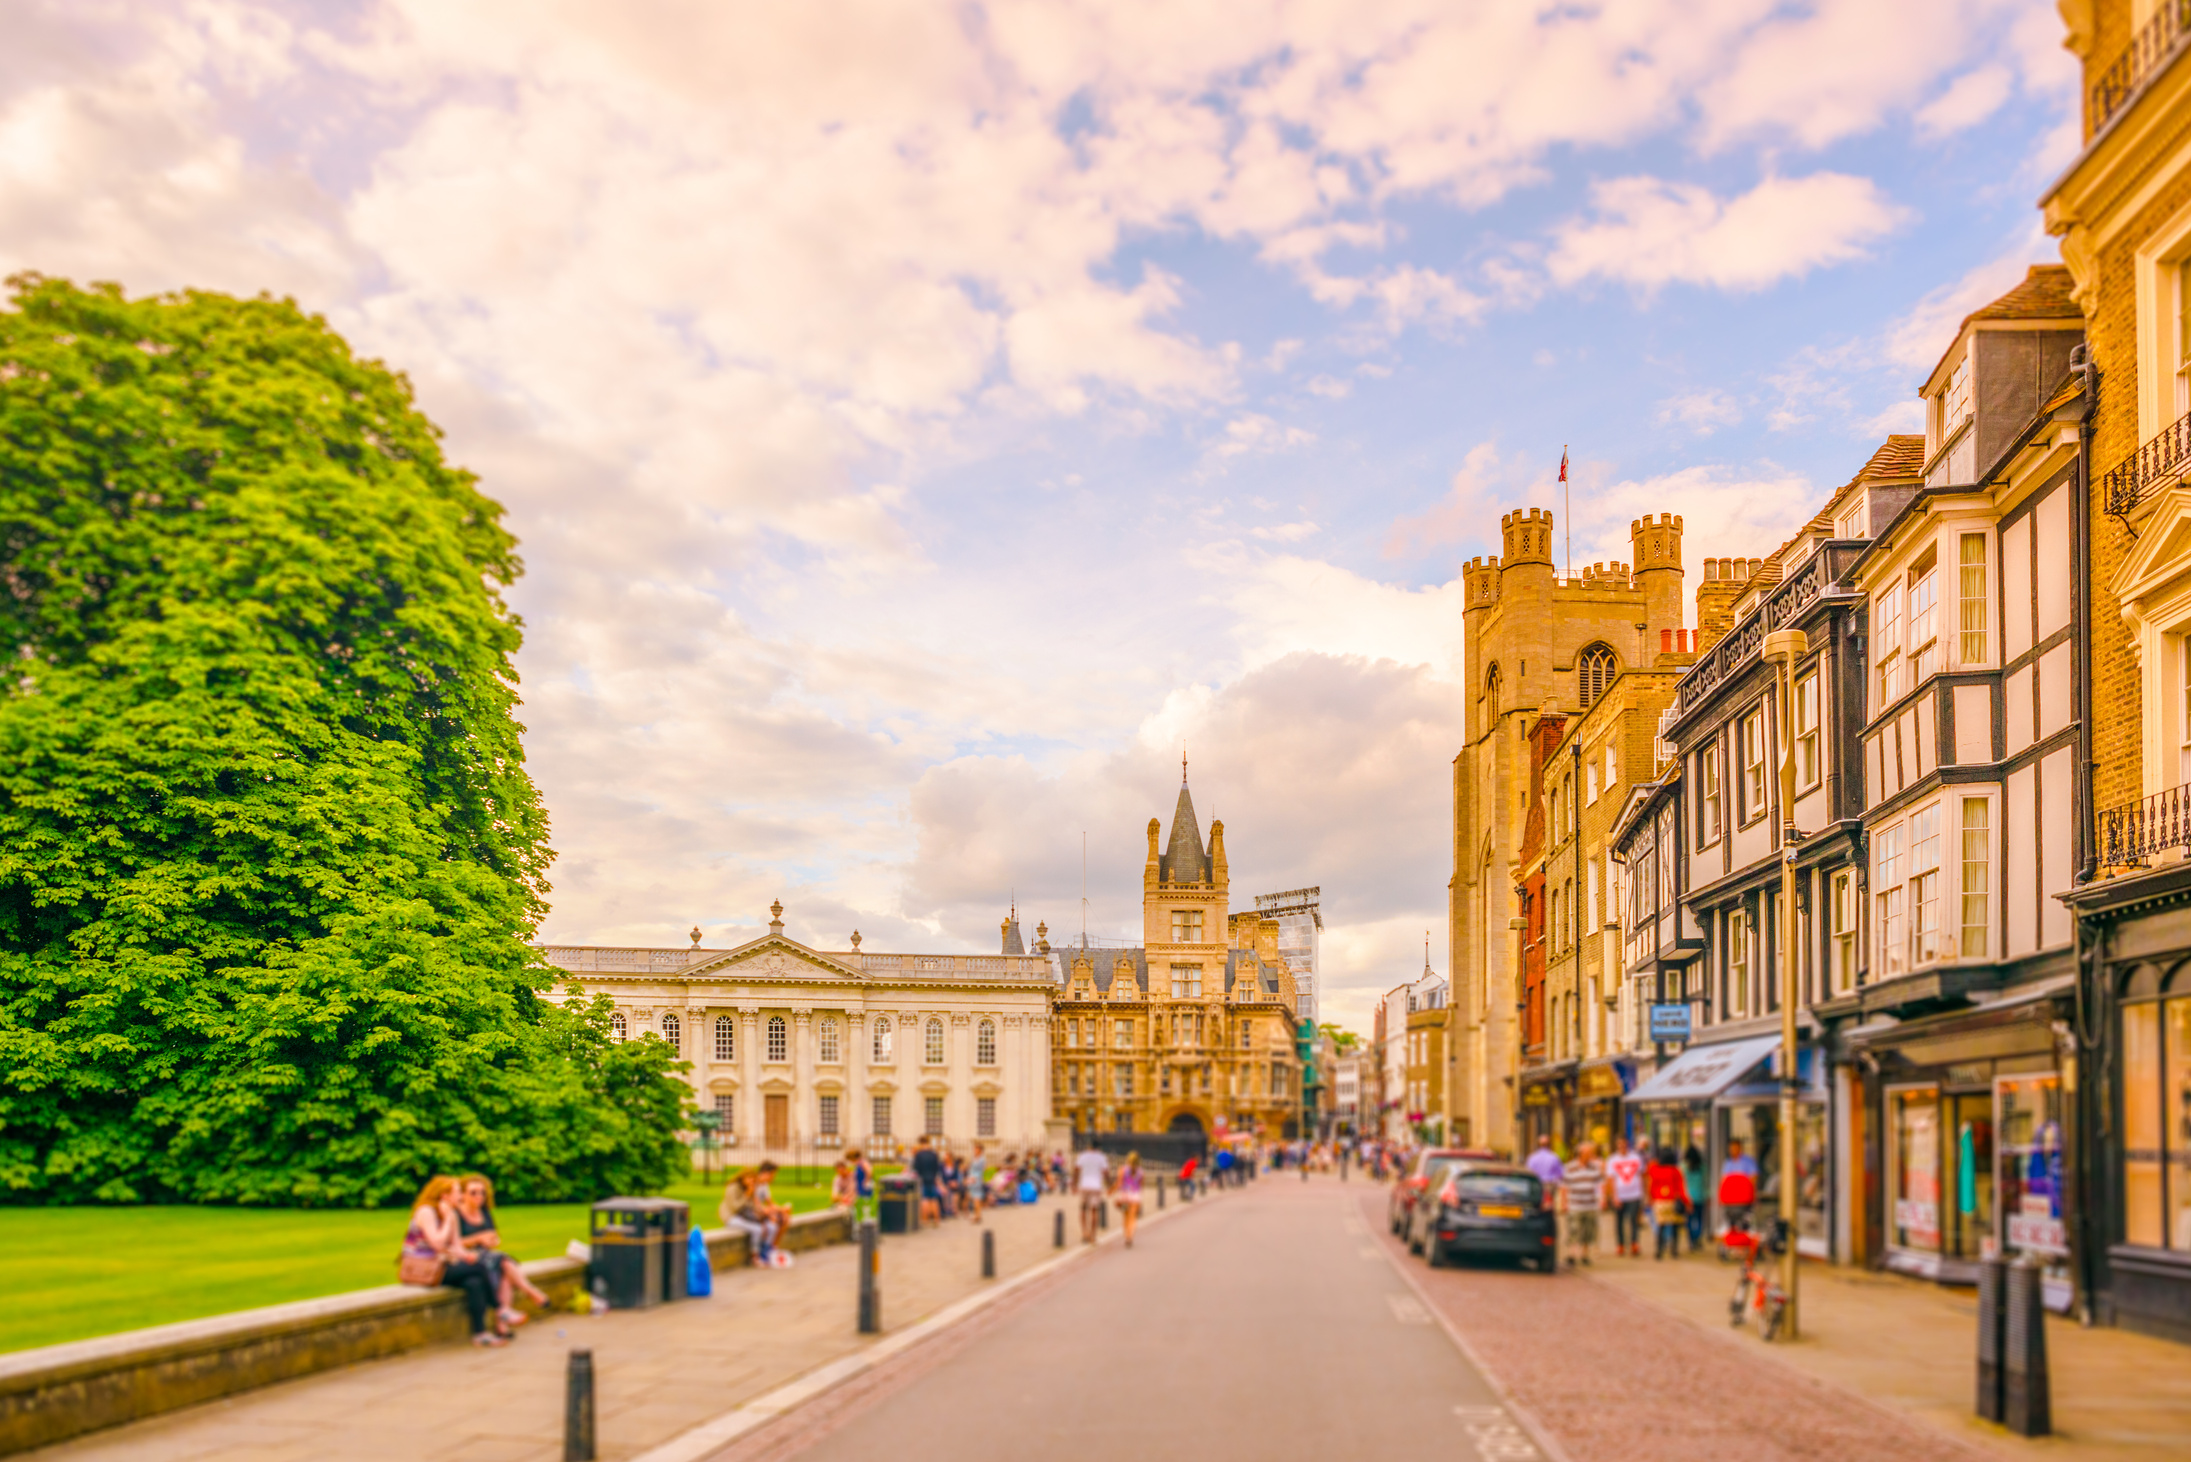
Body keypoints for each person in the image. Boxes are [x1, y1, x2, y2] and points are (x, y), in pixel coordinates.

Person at [406, 1176, 507, 1346]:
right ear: (445, 1195)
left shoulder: (451, 1213)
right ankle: (500, 1309)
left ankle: (480, 1334)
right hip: (423, 1269)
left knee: (474, 1282)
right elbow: (437, 1243)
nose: (460, 1197)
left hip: (441, 1265)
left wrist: (467, 1256)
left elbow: (457, 1247)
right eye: (457, 1192)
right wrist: (448, 1219)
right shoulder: (426, 1211)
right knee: (480, 1267)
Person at [456, 1174, 546, 1328]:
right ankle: (529, 1292)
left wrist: (491, 1240)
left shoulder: (484, 1212)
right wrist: (477, 1239)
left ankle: (502, 1324)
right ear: (462, 1194)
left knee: (505, 1273)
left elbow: (493, 1236)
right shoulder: (455, 1215)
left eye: (482, 1192)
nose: (479, 1196)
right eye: (473, 1192)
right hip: (466, 1258)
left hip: (486, 1255)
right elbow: (452, 1243)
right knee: (503, 1262)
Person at [1561, 1142, 1604, 1268]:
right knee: (1574, 1230)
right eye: (1588, 1153)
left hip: (1590, 1205)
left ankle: (1584, 1255)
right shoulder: (1569, 1167)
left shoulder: (1594, 1167)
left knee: (1588, 1231)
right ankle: (1572, 1255)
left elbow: (1600, 1184)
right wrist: (1564, 1203)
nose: (1591, 1155)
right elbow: (1564, 1187)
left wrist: (1602, 1199)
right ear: (1581, 1154)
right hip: (1575, 1204)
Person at [1605, 1136, 1647, 1258]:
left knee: (1633, 1219)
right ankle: (1620, 1244)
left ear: (1627, 1144)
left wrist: (1644, 1192)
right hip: (1620, 1195)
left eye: (1624, 1144)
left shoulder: (1635, 1158)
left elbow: (1642, 1175)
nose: (1622, 1147)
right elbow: (1610, 1179)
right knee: (1619, 1221)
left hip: (1635, 1194)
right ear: (1617, 1146)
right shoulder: (1612, 1159)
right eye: (1619, 1145)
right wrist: (1613, 1196)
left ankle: (1634, 1243)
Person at [1645, 1145, 1688, 1260]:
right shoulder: (1676, 1171)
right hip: (1673, 1201)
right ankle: (1674, 1250)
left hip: (1659, 1202)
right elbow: (1681, 1188)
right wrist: (1687, 1202)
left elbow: (1651, 1186)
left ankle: (1659, 1250)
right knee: (1674, 1227)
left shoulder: (1654, 1170)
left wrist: (1651, 1199)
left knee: (1661, 1227)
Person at [1719, 1138, 1760, 1239]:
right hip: (1731, 1200)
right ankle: (1733, 1241)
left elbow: (1753, 1177)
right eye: (1731, 1148)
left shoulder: (1748, 1161)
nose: (1733, 1150)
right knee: (1731, 1222)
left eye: (1735, 1148)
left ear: (1740, 1148)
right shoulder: (1728, 1163)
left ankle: (1744, 1241)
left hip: (1744, 1199)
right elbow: (1724, 1180)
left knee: (1745, 1222)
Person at [1074, 1144, 1111, 1242]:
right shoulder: (1101, 1157)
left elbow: (1076, 1170)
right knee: (1094, 1211)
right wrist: (1110, 1185)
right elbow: (1106, 1172)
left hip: (1084, 1185)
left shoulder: (1082, 1156)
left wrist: (1074, 1184)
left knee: (1083, 1209)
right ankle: (1093, 1235)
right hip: (1096, 1186)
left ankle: (1084, 1232)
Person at [912, 1135, 945, 1225]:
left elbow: (916, 1169)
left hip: (923, 1179)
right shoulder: (934, 1154)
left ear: (920, 1143)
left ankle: (925, 1220)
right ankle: (936, 1219)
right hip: (932, 1179)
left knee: (924, 1199)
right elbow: (937, 1168)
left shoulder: (919, 1155)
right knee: (934, 1199)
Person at [1114, 1152, 1145, 1248]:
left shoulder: (1123, 1169)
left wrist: (1111, 1191)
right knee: (1133, 1218)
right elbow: (1141, 1185)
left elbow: (1118, 1183)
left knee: (1125, 1217)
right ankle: (1130, 1236)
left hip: (1125, 1196)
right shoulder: (1141, 1171)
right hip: (1135, 1197)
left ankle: (1127, 1235)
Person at [1682, 1144, 1709, 1253]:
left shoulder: (1683, 1166)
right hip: (1700, 1197)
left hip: (1688, 1198)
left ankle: (1692, 1240)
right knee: (1699, 1219)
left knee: (1689, 1221)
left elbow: (1682, 1184)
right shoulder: (1702, 1167)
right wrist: (1708, 1195)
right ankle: (1697, 1237)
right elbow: (1705, 1182)